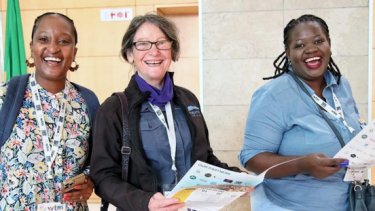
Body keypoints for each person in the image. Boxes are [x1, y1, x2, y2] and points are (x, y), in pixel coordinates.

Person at [90, 13, 241, 211]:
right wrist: (146, 201)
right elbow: (103, 176)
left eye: (161, 43)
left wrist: (235, 179)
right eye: (143, 44)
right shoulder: (113, 108)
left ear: (172, 51)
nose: (154, 51)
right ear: (129, 54)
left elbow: (205, 158)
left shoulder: (188, 100)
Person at [239, 14, 364, 211]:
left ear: (329, 44)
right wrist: (303, 164)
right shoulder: (273, 95)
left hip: (347, 202)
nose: (311, 49)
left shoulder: (341, 85)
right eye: (299, 45)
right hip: (289, 206)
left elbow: (346, 124)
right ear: (288, 53)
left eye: (318, 41)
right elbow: (252, 158)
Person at [0, 12, 99, 210]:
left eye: (64, 41)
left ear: (74, 52)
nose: (53, 48)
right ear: (31, 47)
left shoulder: (87, 102)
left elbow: (98, 162)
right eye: (43, 39)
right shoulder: (5, 96)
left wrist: (90, 181)